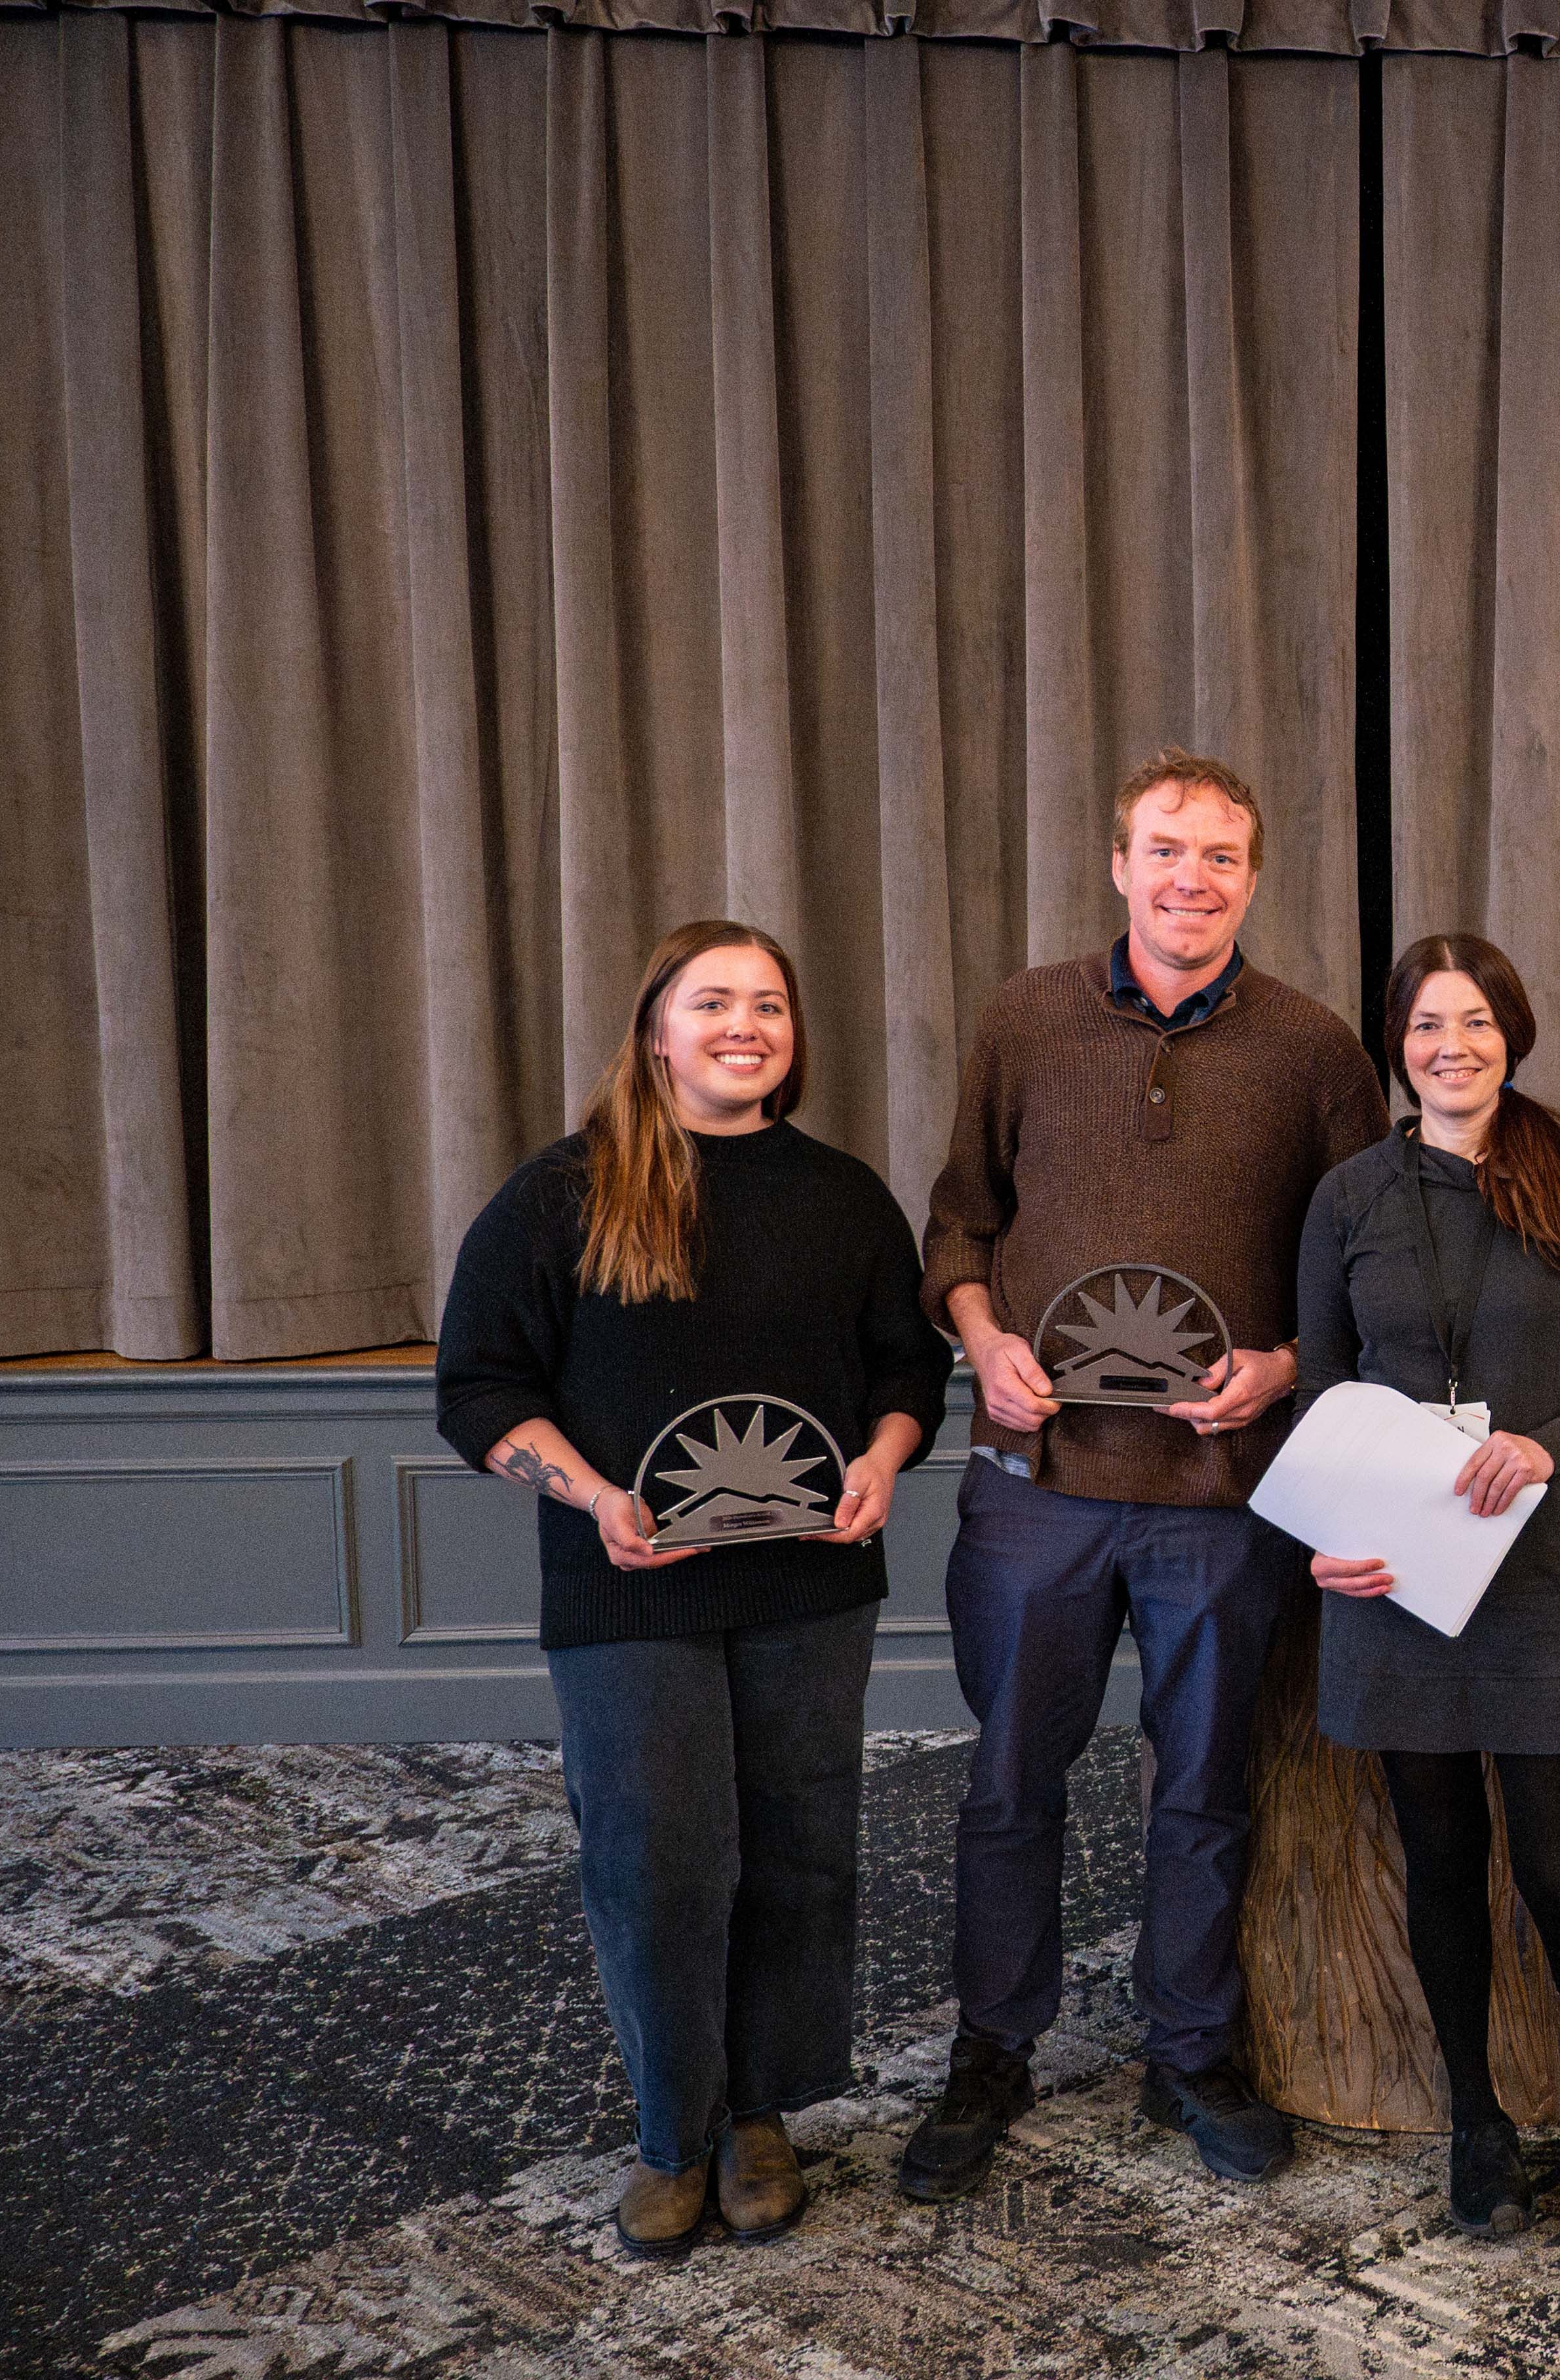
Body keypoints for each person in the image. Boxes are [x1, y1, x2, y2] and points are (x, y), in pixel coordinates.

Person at [903, 748, 1388, 2200]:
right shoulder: (1023, 1019)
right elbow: (957, 1226)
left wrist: (1286, 1367)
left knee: (1206, 1786)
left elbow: (1366, 1265)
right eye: (1167, 851)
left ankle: (1192, 2050)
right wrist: (983, 1342)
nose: (1192, 878)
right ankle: (994, 2044)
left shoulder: (1315, 1053)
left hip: (1220, 1497)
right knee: (1009, 1779)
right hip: (1037, 1484)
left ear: (1254, 877)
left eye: (1221, 856)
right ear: (1119, 865)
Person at [435, 921, 952, 2257]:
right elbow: (480, 1389)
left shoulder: (843, 1196)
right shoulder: (563, 1195)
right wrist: (590, 1496)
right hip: (628, 1586)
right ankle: (674, 2125)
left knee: (796, 1846)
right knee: (658, 1859)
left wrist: (886, 1463)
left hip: (809, 1581)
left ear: (795, 1034)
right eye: (712, 1002)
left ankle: (761, 2114)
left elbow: (908, 1370)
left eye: (768, 1003)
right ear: (655, 1028)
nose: (744, 1024)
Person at [1293, 934, 1560, 2239]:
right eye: (1430, 1025)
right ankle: (1477, 2118)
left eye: (1480, 1020)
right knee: (1440, 1857)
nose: (1456, 1045)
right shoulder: (1348, 1197)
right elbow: (1323, 1384)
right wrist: (1325, 1535)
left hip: (1545, 1569)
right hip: (1395, 1572)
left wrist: (1541, 1445)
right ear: (1397, 1045)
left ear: (1517, 1030)